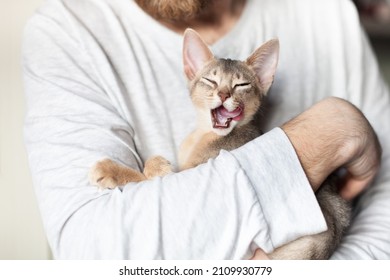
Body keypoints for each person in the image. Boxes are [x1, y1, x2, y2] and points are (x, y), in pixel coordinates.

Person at [22, 0, 388, 259]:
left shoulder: (326, 9)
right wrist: (331, 130)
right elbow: (89, 254)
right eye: (211, 83)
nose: (225, 93)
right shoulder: (64, 31)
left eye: (241, 86)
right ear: (190, 69)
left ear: (262, 80)